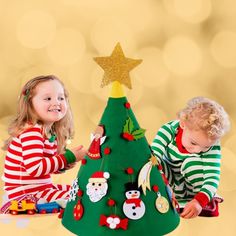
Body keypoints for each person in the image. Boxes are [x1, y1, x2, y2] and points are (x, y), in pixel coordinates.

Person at [1, 75, 86, 213]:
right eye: (48, 98)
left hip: (40, 189)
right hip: (26, 195)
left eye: (61, 98)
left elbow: (44, 167)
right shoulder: (31, 133)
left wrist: (63, 164)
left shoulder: (47, 132)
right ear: (30, 104)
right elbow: (35, 168)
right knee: (79, 195)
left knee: (78, 189)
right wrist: (69, 157)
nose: (56, 102)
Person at [151, 97, 230, 219]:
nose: (197, 150)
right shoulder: (169, 130)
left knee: (191, 162)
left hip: (193, 187)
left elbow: (212, 176)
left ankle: (196, 200)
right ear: (183, 124)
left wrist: (199, 201)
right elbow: (154, 155)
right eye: (193, 143)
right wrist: (161, 178)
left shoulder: (213, 144)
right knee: (156, 162)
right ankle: (162, 196)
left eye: (206, 147)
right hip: (169, 179)